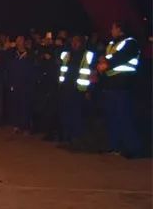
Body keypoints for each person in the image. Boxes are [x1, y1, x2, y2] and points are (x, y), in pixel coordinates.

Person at [96, 21, 142, 157]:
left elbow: (121, 57)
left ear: (120, 29)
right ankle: (114, 146)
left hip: (123, 84)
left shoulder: (131, 42)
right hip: (111, 85)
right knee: (112, 117)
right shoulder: (111, 44)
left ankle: (133, 149)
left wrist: (106, 64)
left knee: (124, 116)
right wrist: (102, 63)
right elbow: (107, 58)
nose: (111, 30)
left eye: (113, 27)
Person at [57, 35, 93, 145]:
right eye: (73, 41)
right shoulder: (67, 54)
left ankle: (76, 136)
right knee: (66, 112)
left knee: (76, 113)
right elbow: (61, 68)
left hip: (79, 89)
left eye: (77, 41)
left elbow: (91, 73)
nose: (74, 43)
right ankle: (66, 136)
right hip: (66, 87)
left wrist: (88, 90)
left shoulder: (88, 55)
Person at [6, 35, 36, 134]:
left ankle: (26, 126)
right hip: (15, 84)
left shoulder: (30, 54)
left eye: (21, 40)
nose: (19, 42)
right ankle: (16, 125)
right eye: (18, 40)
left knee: (26, 106)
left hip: (27, 85)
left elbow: (33, 70)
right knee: (16, 105)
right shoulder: (12, 54)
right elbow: (9, 69)